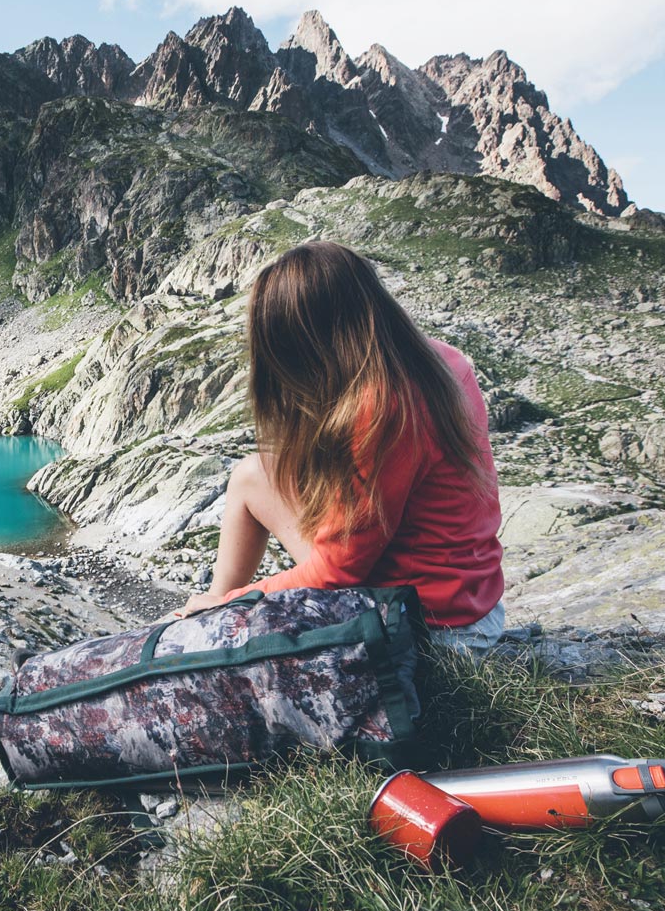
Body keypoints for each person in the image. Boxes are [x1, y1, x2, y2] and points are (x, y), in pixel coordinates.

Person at [179, 240, 506, 652]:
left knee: (253, 510)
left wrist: (234, 603)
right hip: (471, 603)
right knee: (251, 476)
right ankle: (209, 616)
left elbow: (337, 573)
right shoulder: (438, 360)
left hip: (434, 628)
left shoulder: (384, 406)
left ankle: (212, 617)